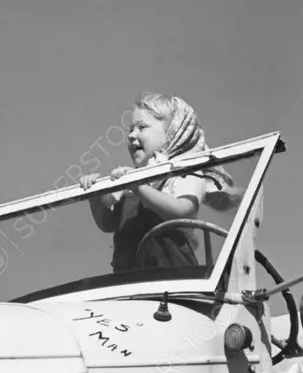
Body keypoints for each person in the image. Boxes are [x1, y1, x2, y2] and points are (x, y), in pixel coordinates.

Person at [79, 92, 239, 274]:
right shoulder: (130, 181)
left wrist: (139, 187)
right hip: (126, 283)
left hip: (172, 280)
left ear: (172, 132)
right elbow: (108, 223)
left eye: (142, 127)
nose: (132, 135)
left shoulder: (186, 173)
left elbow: (183, 209)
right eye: (130, 129)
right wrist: (95, 196)